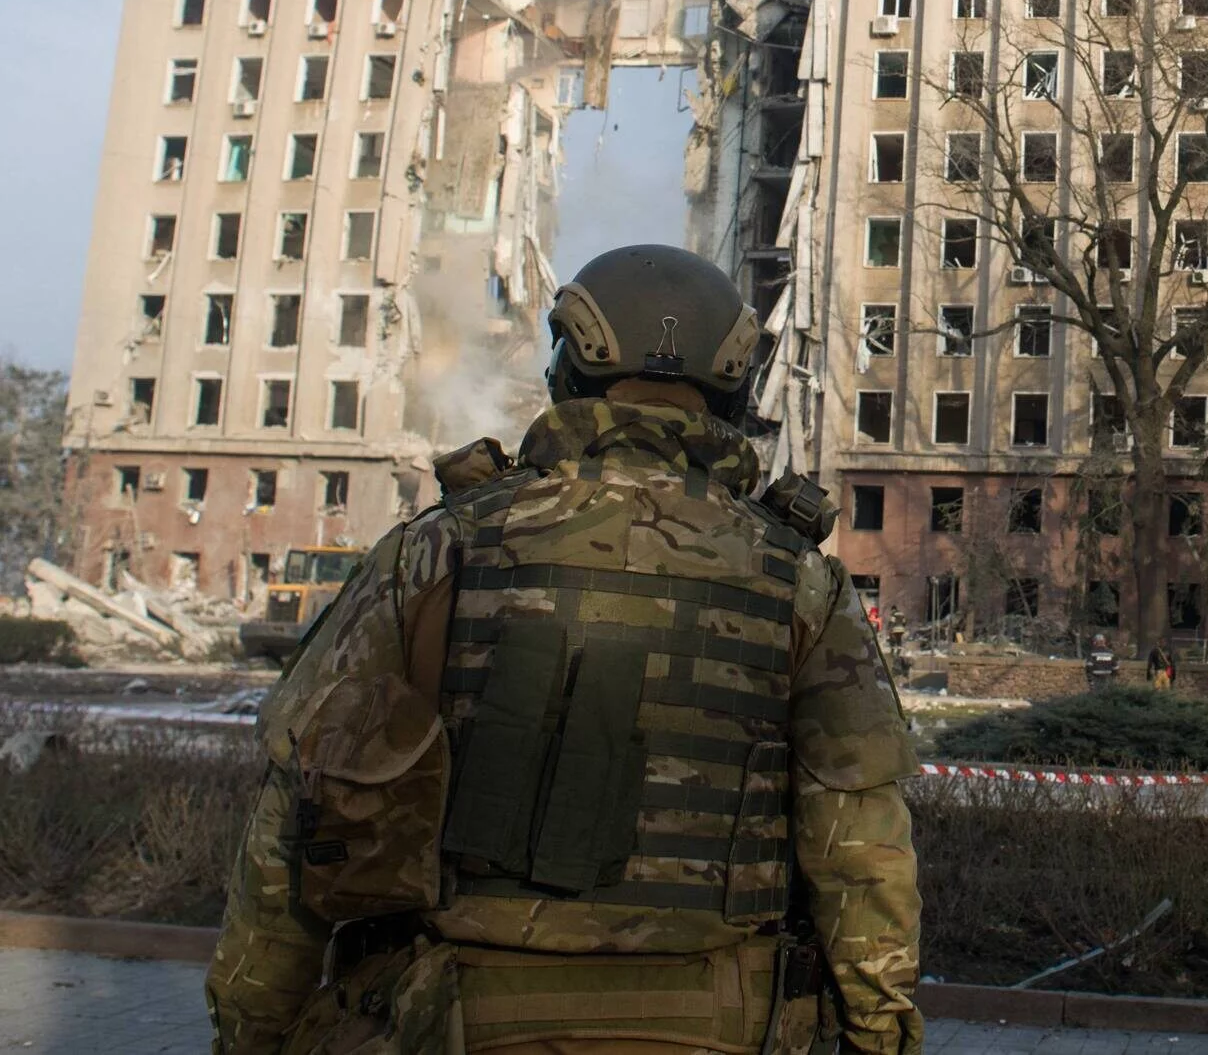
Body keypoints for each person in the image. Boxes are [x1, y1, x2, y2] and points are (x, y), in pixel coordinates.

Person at [204, 244, 921, 1055]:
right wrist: (879, 1033)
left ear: (567, 373)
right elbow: (860, 838)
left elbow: (299, 809)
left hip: (453, 1013)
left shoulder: (439, 549)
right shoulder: (801, 581)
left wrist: (251, 1030)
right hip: (724, 1020)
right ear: (731, 391)